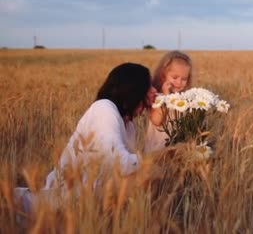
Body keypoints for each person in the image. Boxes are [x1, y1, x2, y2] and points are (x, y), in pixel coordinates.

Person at [15, 62, 156, 214]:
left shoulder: (129, 127)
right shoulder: (104, 109)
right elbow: (118, 162)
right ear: (133, 89)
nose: (154, 91)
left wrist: (158, 125)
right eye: (149, 86)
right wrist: (153, 160)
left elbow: (131, 170)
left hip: (88, 207)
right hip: (58, 204)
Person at [144, 51, 193, 153]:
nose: (179, 82)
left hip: (176, 149)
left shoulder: (184, 100)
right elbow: (157, 120)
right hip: (156, 150)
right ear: (163, 76)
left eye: (184, 79)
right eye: (175, 77)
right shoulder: (158, 98)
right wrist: (166, 97)